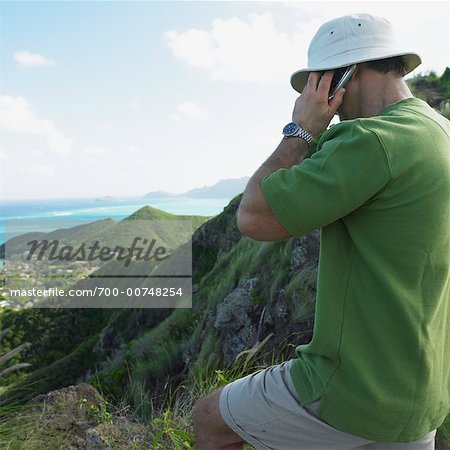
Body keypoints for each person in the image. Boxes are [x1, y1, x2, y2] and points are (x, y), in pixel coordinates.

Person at [193, 13, 450, 450]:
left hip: (352, 390)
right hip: (420, 395)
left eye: (319, 78)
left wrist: (303, 130)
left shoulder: (371, 140)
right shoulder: (439, 131)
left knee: (210, 420)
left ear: (343, 73)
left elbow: (253, 216)